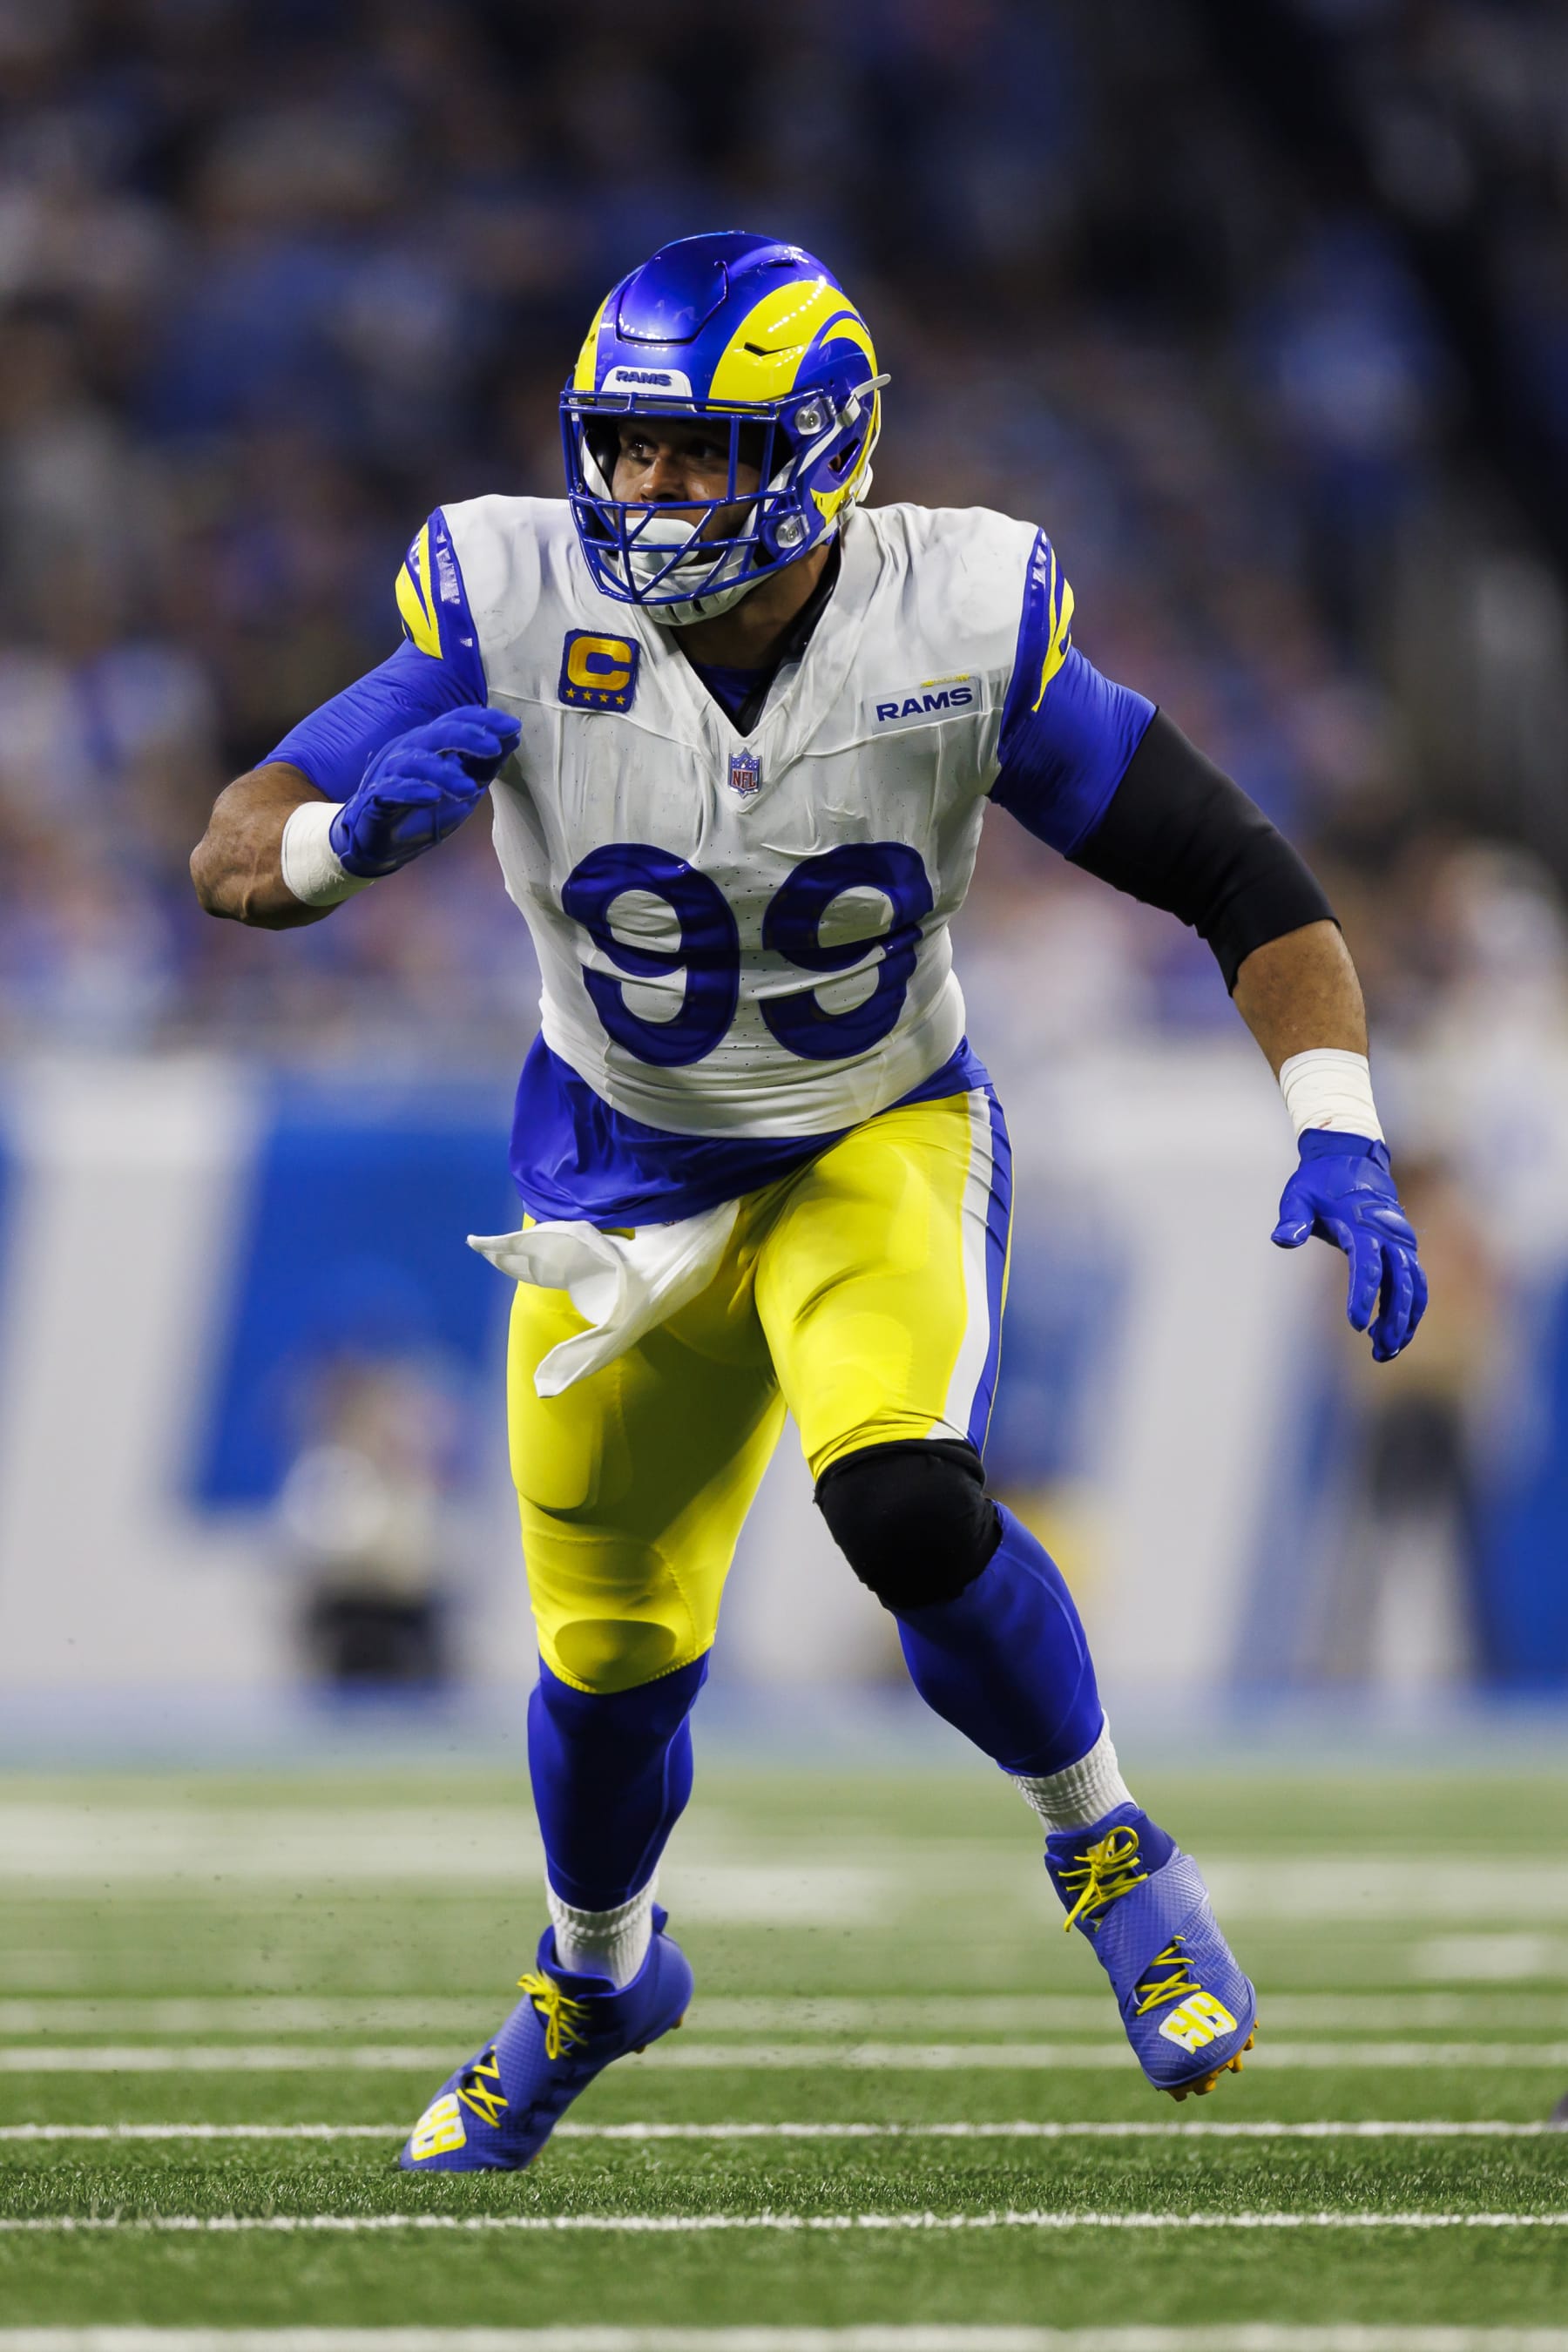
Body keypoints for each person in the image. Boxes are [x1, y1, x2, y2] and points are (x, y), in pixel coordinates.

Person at [190, 231, 1427, 2171]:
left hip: (877, 1137)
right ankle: (594, 1977)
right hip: (612, 1185)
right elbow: (234, 847)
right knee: (606, 1678)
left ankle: (1110, 1851)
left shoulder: (961, 614)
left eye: (704, 451)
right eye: (630, 446)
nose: (651, 490)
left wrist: (1337, 1124)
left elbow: (1241, 877)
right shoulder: (509, 595)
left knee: (905, 1497)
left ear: (827, 448)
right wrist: (347, 845)